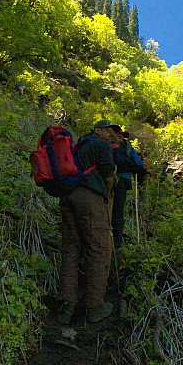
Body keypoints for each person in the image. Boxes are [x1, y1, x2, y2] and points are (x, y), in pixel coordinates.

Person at [55, 119, 121, 325]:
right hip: (90, 199)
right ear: (98, 130)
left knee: (71, 249)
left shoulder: (76, 146)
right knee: (99, 249)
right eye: (109, 130)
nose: (111, 135)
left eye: (114, 132)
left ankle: (68, 305)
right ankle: (95, 306)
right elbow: (108, 176)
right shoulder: (101, 145)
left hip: (67, 197)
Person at [110, 130, 154, 248]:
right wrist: (142, 169)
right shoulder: (126, 147)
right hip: (121, 181)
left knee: (113, 210)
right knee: (118, 212)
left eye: (121, 136)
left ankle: (113, 240)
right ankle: (116, 243)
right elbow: (137, 163)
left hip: (110, 180)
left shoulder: (108, 144)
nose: (121, 139)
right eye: (119, 136)